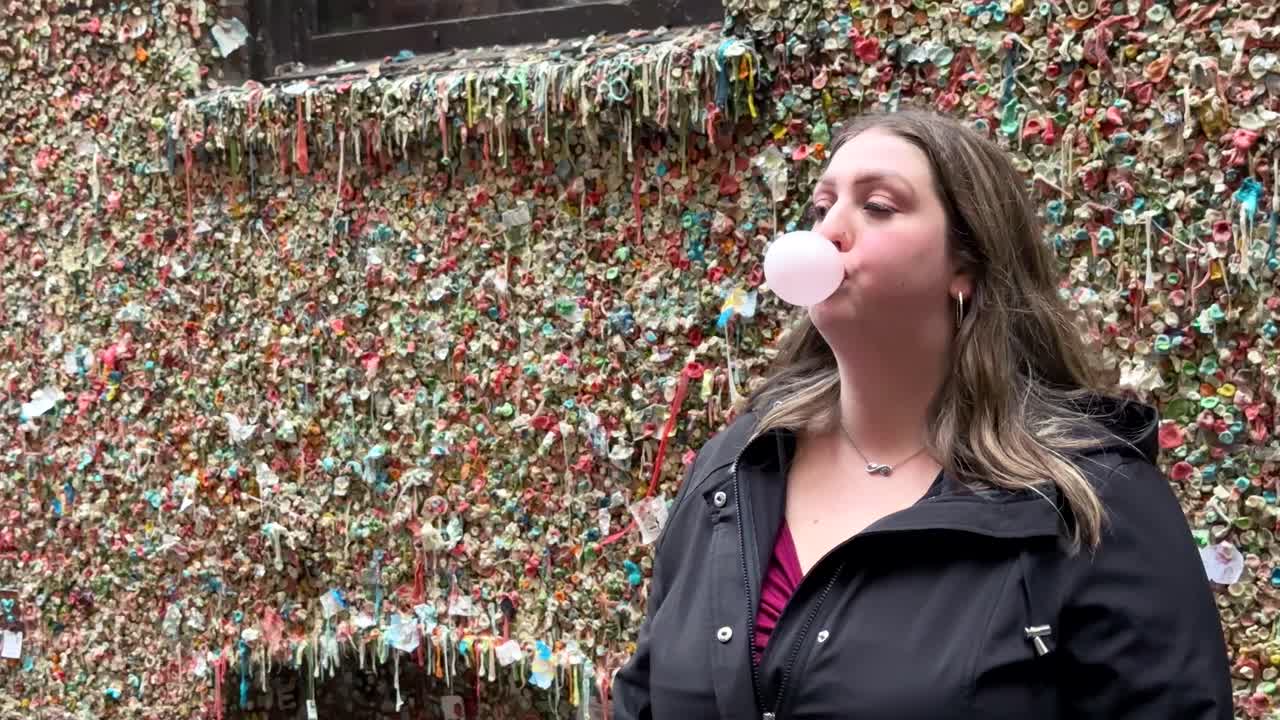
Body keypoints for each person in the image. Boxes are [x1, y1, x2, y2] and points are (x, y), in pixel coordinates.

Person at [609, 110, 1233, 719]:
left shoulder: (1093, 497)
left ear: (966, 264)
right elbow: (646, 692)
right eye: (821, 208)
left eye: (877, 206)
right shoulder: (737, 463)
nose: (826, 233)